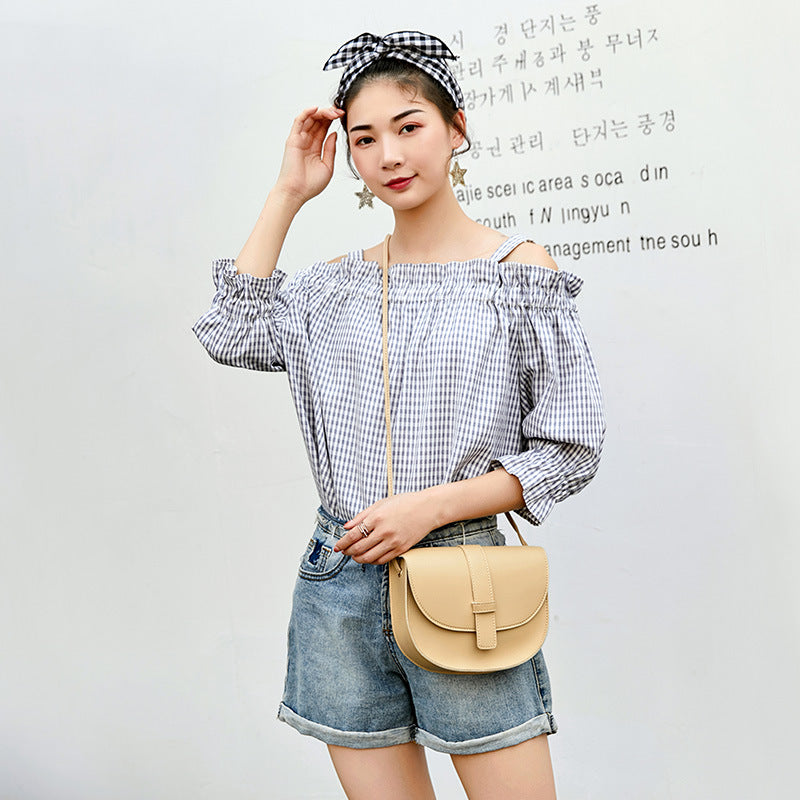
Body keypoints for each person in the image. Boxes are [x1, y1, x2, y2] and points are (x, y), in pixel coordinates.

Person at [193, 30, 605, 800]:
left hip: (464, 577)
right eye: (364, 138)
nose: (389, 154)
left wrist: (431, 508)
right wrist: (287, 193)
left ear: (456, 129)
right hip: (341, 580)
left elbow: (569, 449)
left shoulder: (515, 274)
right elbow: (232, 333)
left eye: (409, 126)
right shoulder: (331, 287)